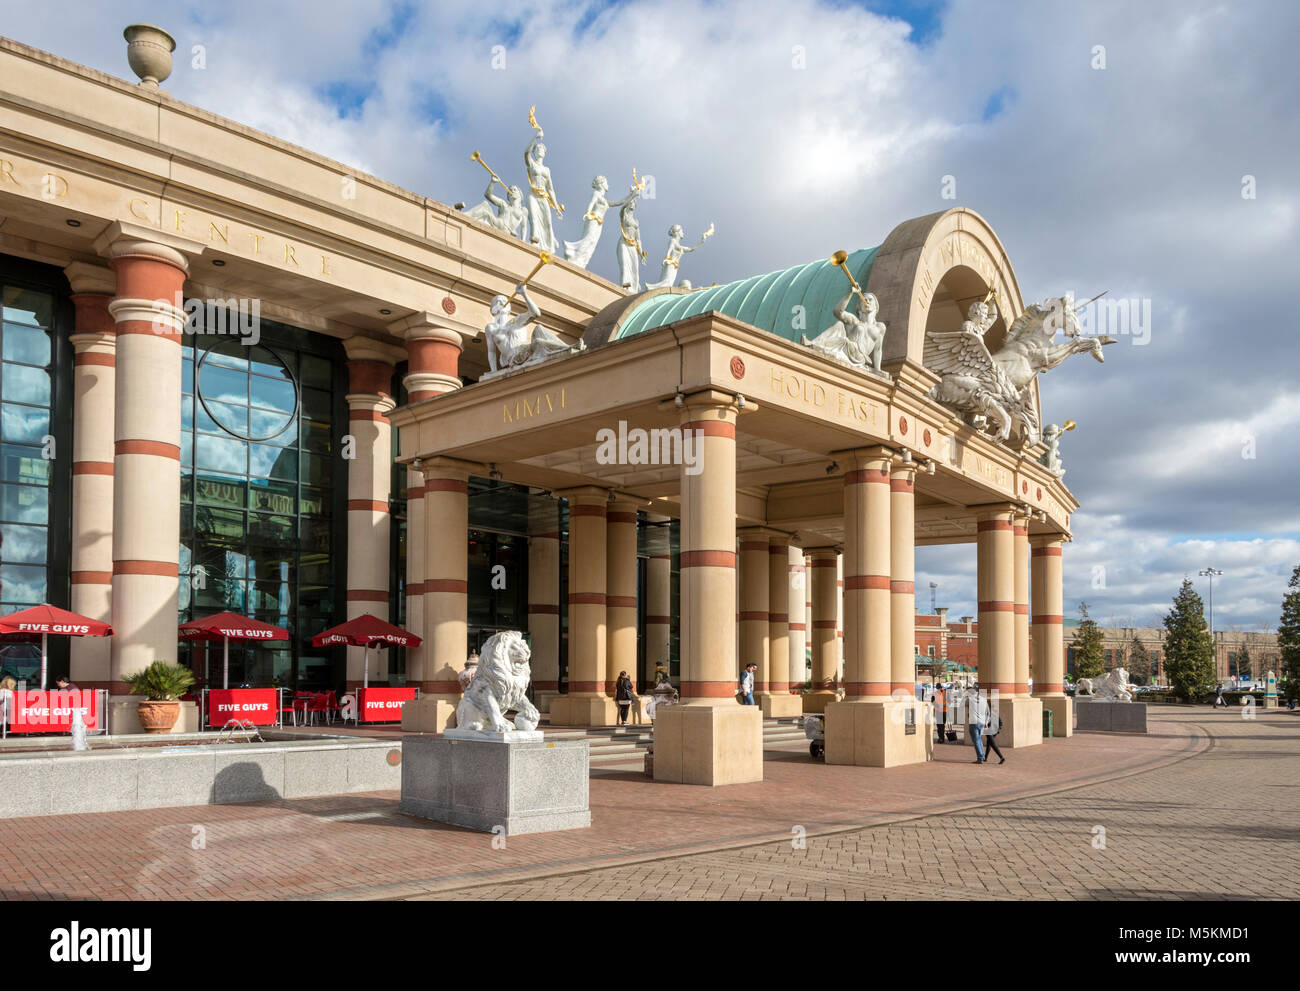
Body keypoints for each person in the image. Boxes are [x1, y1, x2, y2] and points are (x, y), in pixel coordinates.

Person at [966, 684, 988, 764]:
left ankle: (980, 758)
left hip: (974, 722)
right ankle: (982, 755)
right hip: (982, 722)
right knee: (979, 739)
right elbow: (987, 712)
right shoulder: (984, 699)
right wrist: (986, 722)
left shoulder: (970, 699)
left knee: (976, 740)